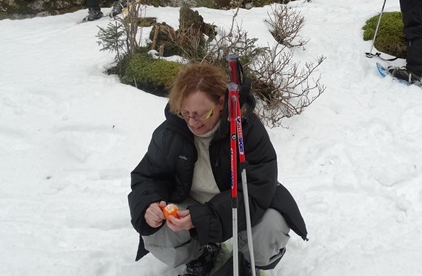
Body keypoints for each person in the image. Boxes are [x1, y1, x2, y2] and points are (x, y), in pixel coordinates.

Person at [128, 63, 307, 276]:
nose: (193, 122)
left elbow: (257, 190)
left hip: (239, 204)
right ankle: (201, 254)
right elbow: (148, 176)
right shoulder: (170, 132)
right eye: (186, 113)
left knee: (270, 227)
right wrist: (149, 205)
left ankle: (248, 261)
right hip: (193, 202)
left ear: (221, 103)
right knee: (155, 233)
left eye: (201, 114)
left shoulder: (246, 129)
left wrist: (204, 217)